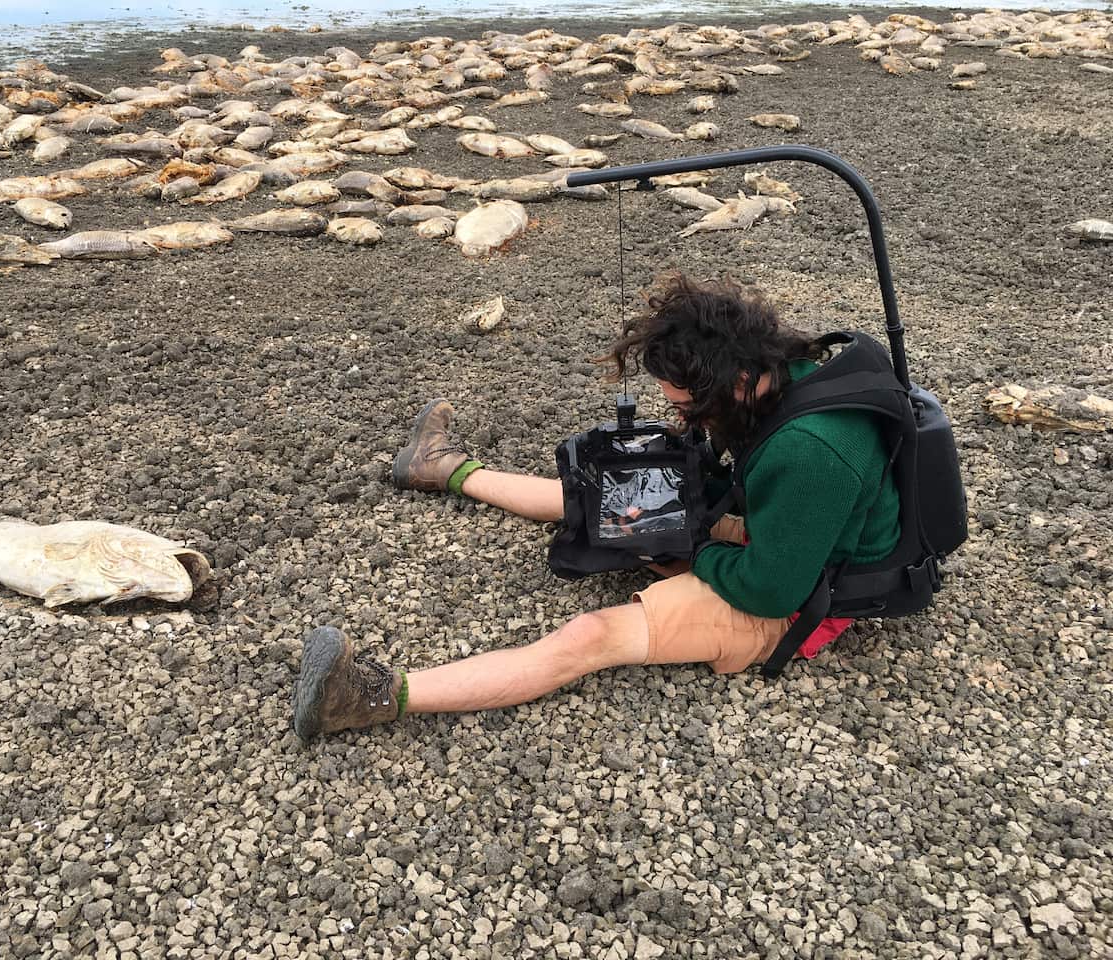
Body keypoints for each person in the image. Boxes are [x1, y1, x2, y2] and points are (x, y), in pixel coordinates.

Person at [292, 274, 901, 742]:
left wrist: (691, 556)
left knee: (592, 633)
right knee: (610, 503)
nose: (684, 420)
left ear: (736, 383)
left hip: (809, 594)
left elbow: (771, 591)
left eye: (689, 408)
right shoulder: (779, 374)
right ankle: (441, 469)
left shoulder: (810, 452)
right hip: (792, 530)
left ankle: (370, 696)